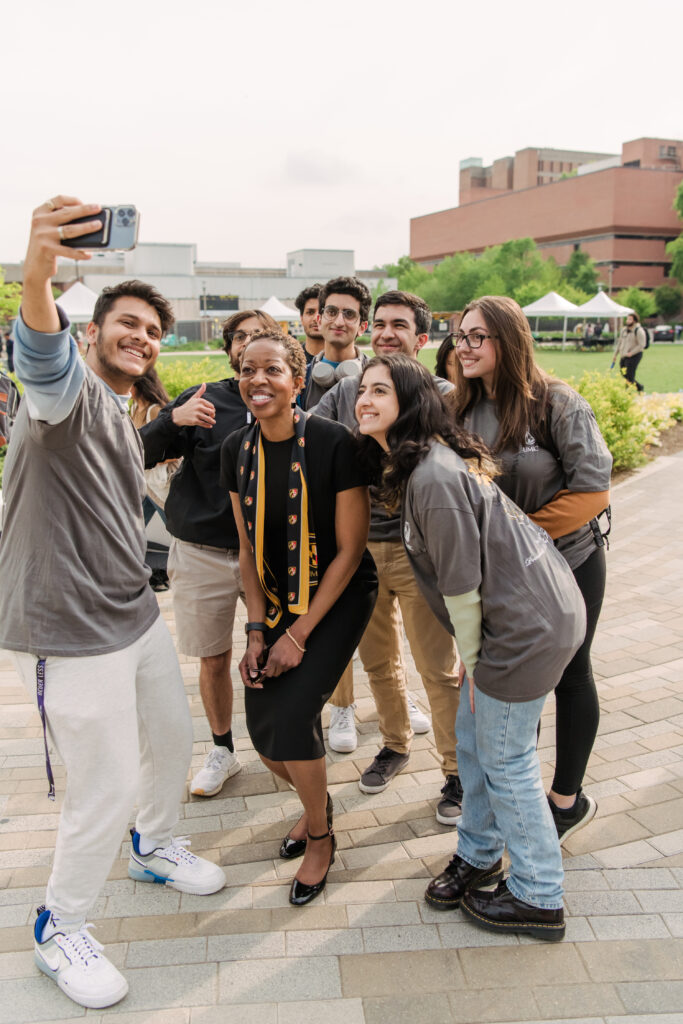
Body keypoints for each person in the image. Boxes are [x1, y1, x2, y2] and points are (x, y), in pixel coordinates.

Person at [0, 196, 226, 1010]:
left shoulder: (122, 413)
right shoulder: (60, 397)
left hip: (131, 615)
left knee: (169, 741)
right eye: (126, 323)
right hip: (68, 631)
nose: (143, 337)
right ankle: (59, 926)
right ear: (90, 333)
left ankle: (156, 843)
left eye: (153, 330)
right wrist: (37, 267)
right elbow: (39, 347)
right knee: (100, 783)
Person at [356, 354, 586, 941]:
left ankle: (539, 895)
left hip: (523, 630)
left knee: (506, 760)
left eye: (380, 390)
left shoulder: (432, 478)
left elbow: (461, 587)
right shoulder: (421, 464)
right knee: (476, 743)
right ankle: (480, 854)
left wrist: (476, 662)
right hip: (520, 618)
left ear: (408, 402)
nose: (364, 398)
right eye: (363, 389)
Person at [221, 329, 377, 905]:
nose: (257, 380)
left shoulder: (336, 443)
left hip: (336, 596)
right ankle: (319, 801)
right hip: (274, 598)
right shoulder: (236, 449)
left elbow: (351, 550)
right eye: (247, 369)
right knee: (263, 734)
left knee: (292, 721)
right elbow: (246, 550)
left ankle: (320, 835)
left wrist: (298, 634)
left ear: (295, 379)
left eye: (270, 370)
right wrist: (257, 632)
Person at [451, 295, 612, 843]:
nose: (463, 346)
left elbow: (592, 491)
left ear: (508, 340)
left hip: (569, 562)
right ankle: (516, 798)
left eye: (477, 337)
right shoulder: (459, 407)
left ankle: (566, 801)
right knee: (513, 683)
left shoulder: (557, 402)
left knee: (570, 673)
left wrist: (523, 537)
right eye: (460, 335)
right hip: (499, 574)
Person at [314, 292, 462, 825]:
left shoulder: (439, 394)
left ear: (421, 339)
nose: (384, 333)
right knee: (379, 661)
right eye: (378, 324)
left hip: (420, 548)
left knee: (437, 667)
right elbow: (312, 438)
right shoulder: (348, 391)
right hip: (361, 551)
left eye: (399, 326)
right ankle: (395, 744)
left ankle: (455, 771)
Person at [140, 308, 278, 797]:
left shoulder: (285, 399)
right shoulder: (202, 399)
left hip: (269, 555)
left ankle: (284, 743)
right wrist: (171, 420)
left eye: (262, 338)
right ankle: (222, 749)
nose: (249, 346)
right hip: (202, 551)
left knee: (280, 653)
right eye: (240, 338)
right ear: (228, 349)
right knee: (213, 657)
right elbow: (138, 453)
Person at [130, 369, 178, 591]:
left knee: (175, 529)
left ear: (140, 384)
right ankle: (142, 574)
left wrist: (148, 458)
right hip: (144, 483)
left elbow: (174, 451)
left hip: (159, 484)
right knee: (131, 527)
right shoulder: (133, 408)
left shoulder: (154, 411)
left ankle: (175, 573)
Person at [301, 275, 371, 410]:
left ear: (362, 327)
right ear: (319, 321)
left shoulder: (379, 375)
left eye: (349, 314)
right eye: (331, 312)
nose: (339, 322)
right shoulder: (299, 379)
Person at [613, 311, 646, 391]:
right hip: (624, 355)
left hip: (634, 355)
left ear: (634, 320)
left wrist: (631, 353)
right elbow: (620, 342)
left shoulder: (639, 330)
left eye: (630, 319)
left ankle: (627, 393)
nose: (628, 321)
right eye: (627, 319)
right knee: (624, 373)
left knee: (630, 375)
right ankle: (639, 387)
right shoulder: (624, 330)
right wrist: (615, 355)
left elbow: (642, 345)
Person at [294, 283, 324, 364]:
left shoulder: (345, 361)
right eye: (310, 312)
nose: (316, 318)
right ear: (301, 318)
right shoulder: (290, 361)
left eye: (322, 312)